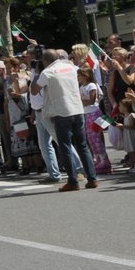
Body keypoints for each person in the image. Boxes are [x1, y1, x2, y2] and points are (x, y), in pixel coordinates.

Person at [37, 49, 97, 192]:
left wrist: (37, 74)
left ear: (45, 61)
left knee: (65, 146)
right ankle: (92, 179)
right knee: (82, 146)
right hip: (77, 109)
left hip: (62, 112)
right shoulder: (71, 66)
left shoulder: (47, 72)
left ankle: (73, 181)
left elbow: (34, 89)